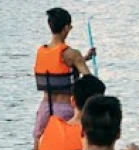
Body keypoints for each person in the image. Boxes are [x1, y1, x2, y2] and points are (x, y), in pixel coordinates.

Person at [32, 8, 95, 142]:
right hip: (65, 108)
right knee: (66, 142)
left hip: (45, 107)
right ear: (66, 28)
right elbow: (89, 80)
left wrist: (84, 58)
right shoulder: (72, 54)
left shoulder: (41, 51)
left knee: (39, 142)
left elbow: (59, 68)